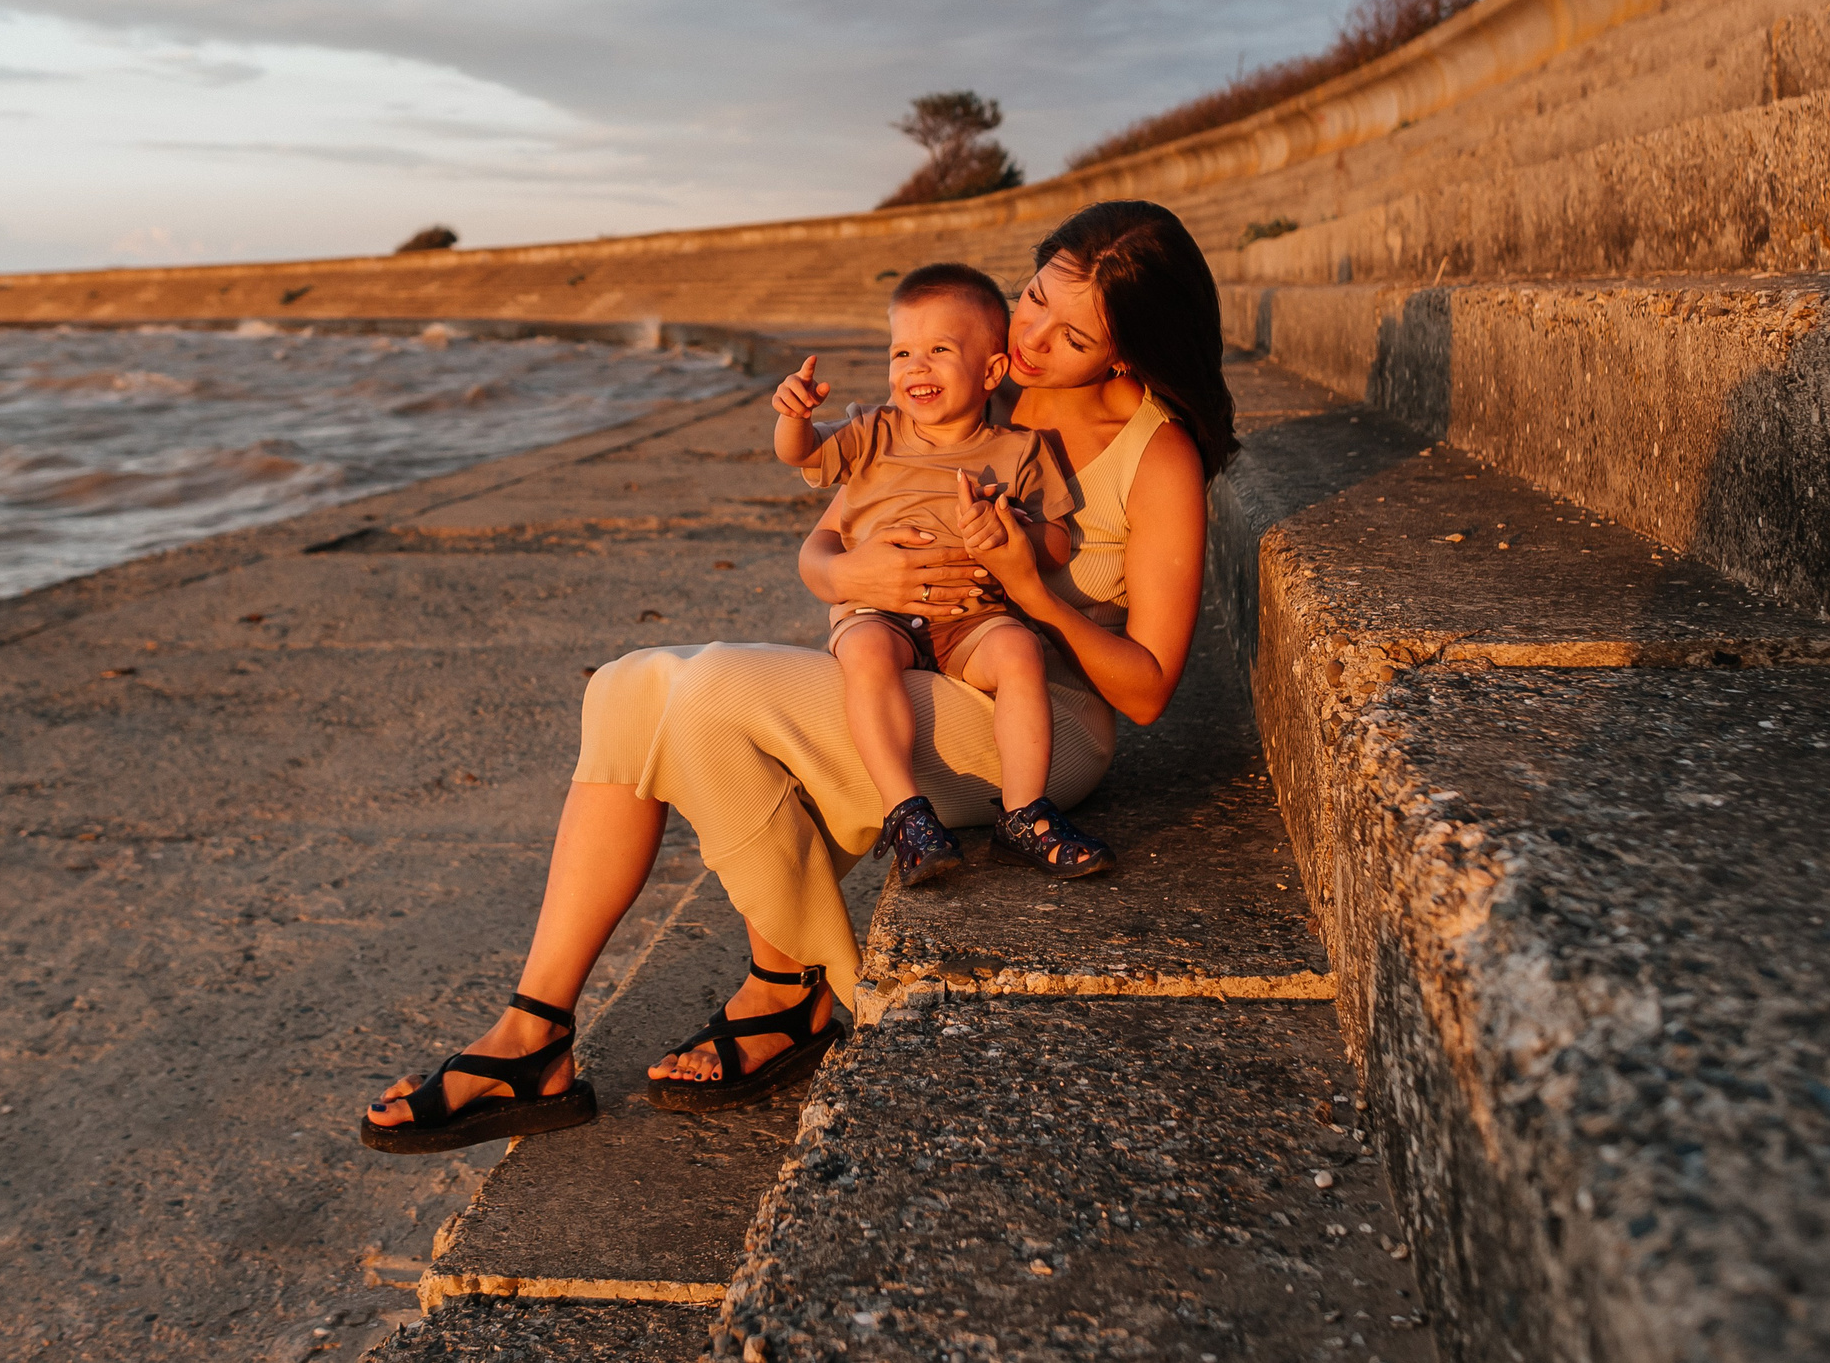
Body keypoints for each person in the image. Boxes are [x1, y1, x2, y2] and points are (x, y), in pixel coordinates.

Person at [360, 200, 1236, 1143]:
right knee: (620, 687)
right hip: (912, 655)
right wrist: (851, 575)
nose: (1031, 337)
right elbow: (829, 539)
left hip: (1035, 715)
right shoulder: (981, 374)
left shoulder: (1158, 454)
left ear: (1127, 353)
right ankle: (534, 1031)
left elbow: (1148, 689)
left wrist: (1034, 587)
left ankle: (792, 986)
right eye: (1032, 298)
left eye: (1071, 335)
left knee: (708, 694)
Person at [773, 260, 1107, 887]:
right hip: (880, 610)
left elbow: (1058, 542)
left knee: (1019, 652)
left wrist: (1014, 536)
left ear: (991, 371)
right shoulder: (872, 431)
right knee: (866, 653)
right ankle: (906, 811)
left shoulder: (1019, 450)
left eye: (939, 351)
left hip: (973, 619)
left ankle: (1024, 813)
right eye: (901, 353)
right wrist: (794, 417)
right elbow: (803, 453)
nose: (915, 368)